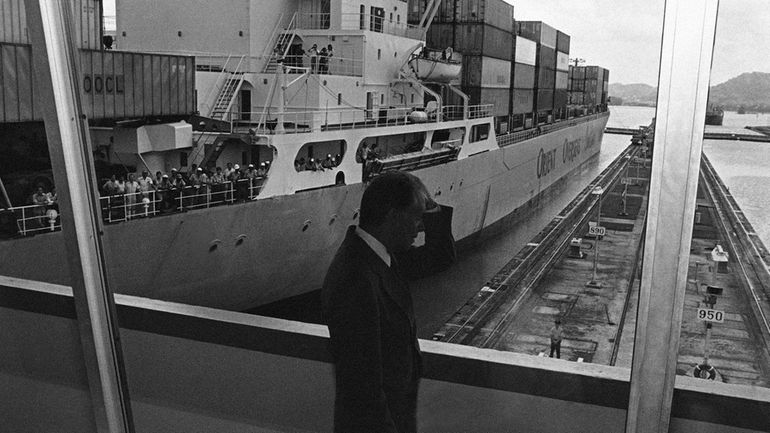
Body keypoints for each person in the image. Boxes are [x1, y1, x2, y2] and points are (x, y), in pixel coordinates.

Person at [322, 171, 456, 433]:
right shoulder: (357, 279)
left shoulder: (378, 257)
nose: (420, 226)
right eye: (417, 218)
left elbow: (440, 258)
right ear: (393, 217)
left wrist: (430, 206)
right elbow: (363, 390)